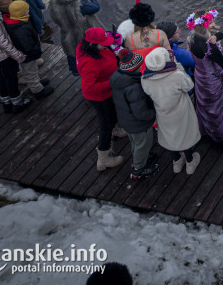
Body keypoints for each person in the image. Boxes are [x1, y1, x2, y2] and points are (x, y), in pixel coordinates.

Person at [142, 47, 201, 175]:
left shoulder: (145, 80)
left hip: (163, 113)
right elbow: (189, 86)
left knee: (170, 137)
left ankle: (177, 161)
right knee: (184, 135)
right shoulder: (176, 75)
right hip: (181, 112)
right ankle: (190, 162)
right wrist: (178, 66)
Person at [77, 26, 124, 171]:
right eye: (103, 41)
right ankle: (103, 159)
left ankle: (115, 129)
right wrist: (112, 81)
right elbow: (88, 87)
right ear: (93, 44)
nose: (107, 43)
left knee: (113, 113)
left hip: (108, 92)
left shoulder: (85, 46)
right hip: (100, 97)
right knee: (105, 125)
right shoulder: (90, 63)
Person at [110, 48, 159, 179]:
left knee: (135, 142)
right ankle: (138, 169)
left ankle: (140, 158)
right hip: (139, 124)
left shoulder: (117, 77)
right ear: (136, 67)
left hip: (126, 119)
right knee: (143, 144)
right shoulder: (134, 87)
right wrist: (153, 113)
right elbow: (141, 112)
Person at [188, 16, 223, 147]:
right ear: (203, 26)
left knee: (205, 105)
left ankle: (206, 129)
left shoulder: (192, 38)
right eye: (210, 23)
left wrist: (217, 36)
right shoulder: (210, 47)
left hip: (200, 76)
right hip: (212, 79)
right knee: (218, 106)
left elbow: (221, 33)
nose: (214, 24)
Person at [47, 0, 100, 76]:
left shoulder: (52, 6)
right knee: (90, 55)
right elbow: (95, 7)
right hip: (84, 36)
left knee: (72, 53)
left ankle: (75, 70)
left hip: (67, 36)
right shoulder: (79, 5)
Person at [3, 0, 51, 99]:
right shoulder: (20, 28)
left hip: (25, 54)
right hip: (27, 55)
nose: (28, 11)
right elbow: (27, 46)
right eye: (26, 10)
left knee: (32, 70)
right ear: (21, 13)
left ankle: (36, 82)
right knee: (30, 72)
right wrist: (36, 51)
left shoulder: (15, 21)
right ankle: (38, 90)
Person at [123, 3, 169, 73]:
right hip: (161, 71)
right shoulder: (160, 34)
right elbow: (170, 55)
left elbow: (130, 62)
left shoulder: (129, 39)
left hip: (142, 76)